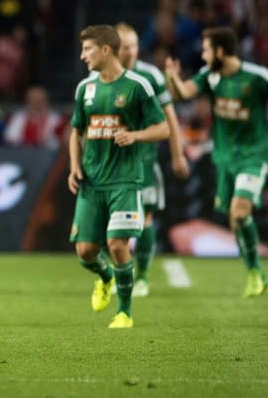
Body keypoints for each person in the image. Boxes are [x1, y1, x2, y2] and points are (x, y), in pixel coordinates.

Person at [165, 26, 268, 298]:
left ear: (219, 51)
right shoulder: (210, 76)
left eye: (206, 50)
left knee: (240, 212)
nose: (203, 56)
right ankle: (254, 270)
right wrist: (171, 77)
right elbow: (183, 92)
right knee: (235, 219)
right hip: (225, 161)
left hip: (252, 157)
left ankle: (254, 272)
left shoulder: (258, 76)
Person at [68, 25, 169, 328]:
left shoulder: (138, 85)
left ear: (105, 50)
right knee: (85, 251)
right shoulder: (84, 89)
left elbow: (162, 128)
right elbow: (76, 132)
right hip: (92, 181)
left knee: (117, 245)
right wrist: (74, 165)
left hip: (125, 180)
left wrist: (135, 135)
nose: (82, 55)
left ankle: (124, 311)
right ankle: (106, 277)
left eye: (87, 49)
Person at [115, 22, 191, 297]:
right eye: (125, 47)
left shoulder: (150, 76)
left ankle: (143, 276)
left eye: (134, 46)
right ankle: (120, 275)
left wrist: (177, 153)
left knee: (145, 216)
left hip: (144, 160)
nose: (131, 52)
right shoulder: (102, 76)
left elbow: (169, 116)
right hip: (112, 165)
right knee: (112, 223)